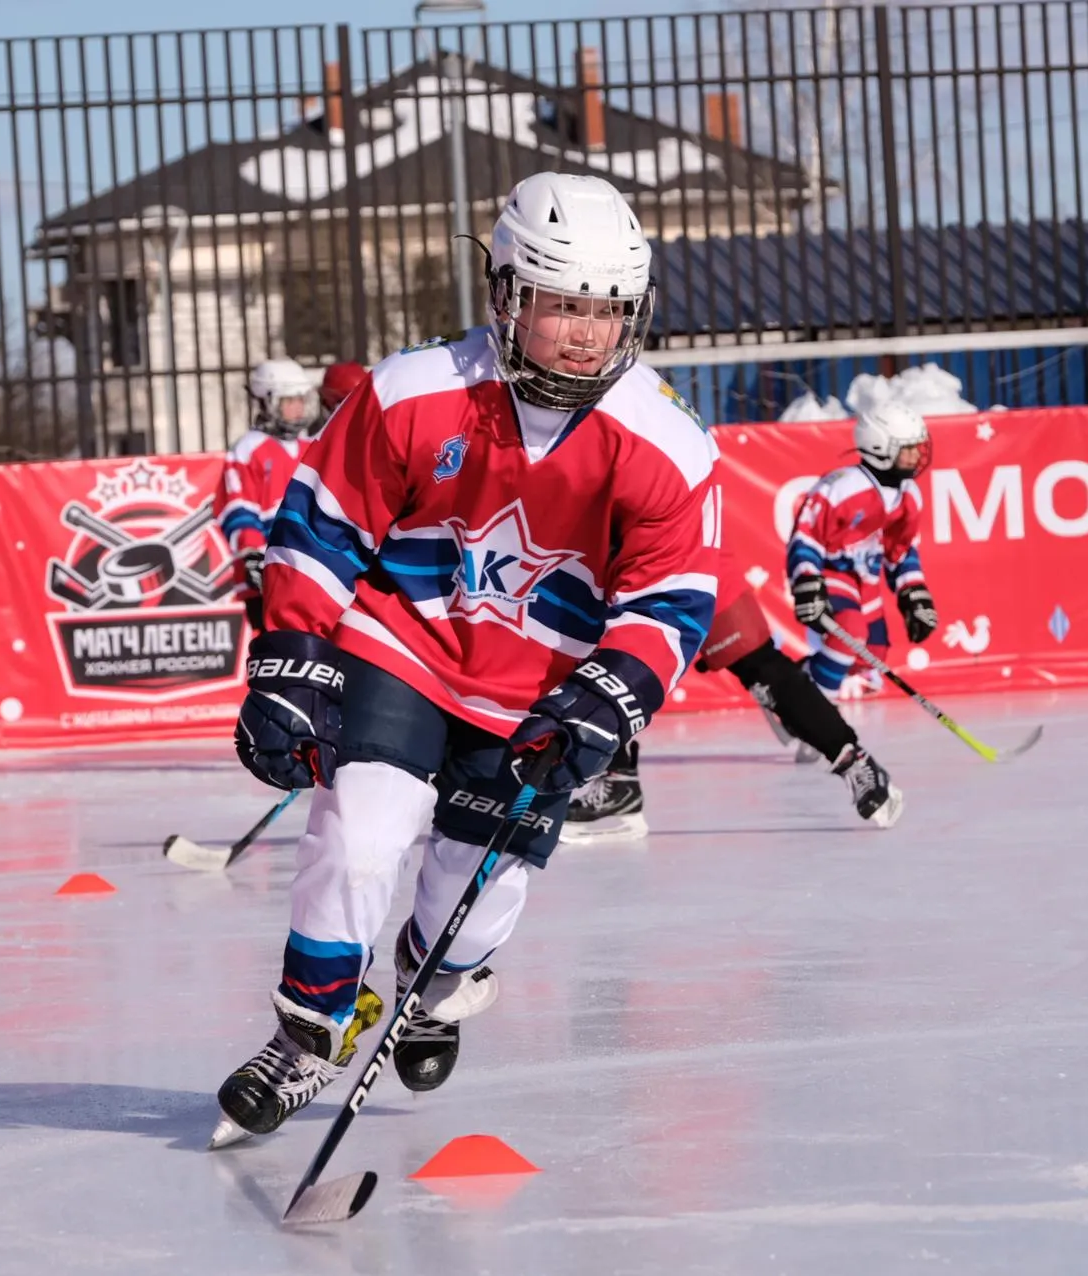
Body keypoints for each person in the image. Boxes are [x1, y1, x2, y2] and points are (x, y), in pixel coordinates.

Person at [210, 172, 720, 1149]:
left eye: (606, 310)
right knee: (361, 832)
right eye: (561, 305)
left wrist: (608, 699)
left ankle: (434, 986)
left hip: (538, 689)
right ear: (505, 294)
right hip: (403, 646)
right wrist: (289, 658)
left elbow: (671, 597)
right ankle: (308, 1030)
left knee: (472, 901)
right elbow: (322, 529)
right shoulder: (413, 393)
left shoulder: (666, 443)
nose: (583, 332)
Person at [563, 540, 903, 841]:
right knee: (596, 660)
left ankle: (852, 758)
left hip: (689, 549)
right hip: (615, 561)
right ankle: (618, 782)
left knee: (762, 667)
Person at [788, 400, 939, 708]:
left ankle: (791, 685)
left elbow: (900, 551)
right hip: (832, 571)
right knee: (850, 630)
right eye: (906, 447)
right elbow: (806, 536)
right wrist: (807, 582)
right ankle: (815, 713)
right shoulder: (842, 487)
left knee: (874, 653)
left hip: (865, 579)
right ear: (879, 447)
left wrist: (914, 594)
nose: (915, 455)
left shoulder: (909, 495)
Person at [213, 359, 327, 632]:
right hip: (266, 574)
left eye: (301, 399)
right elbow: (237, 510)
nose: (298, 407)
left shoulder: (310, 446)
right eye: (289, 400)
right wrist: (253, 555)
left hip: (308, 571)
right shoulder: (249, 450)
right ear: (266, 402)